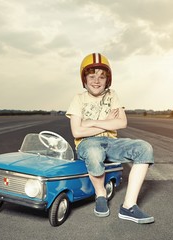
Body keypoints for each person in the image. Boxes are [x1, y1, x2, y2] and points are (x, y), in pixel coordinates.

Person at [66, 53, 154, 224]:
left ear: (108, 79)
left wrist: (90, 122)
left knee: (145, 148)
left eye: (101, 76)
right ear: (84, 79)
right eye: (92, 76)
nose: (96, 80)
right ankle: (100, 195)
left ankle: (128, 206)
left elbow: (121, 122)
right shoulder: (79, 99)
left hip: (111, 143)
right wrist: (107, 122)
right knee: (94, 151)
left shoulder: (112, 95)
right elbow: (77, 132)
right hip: (87, 144)